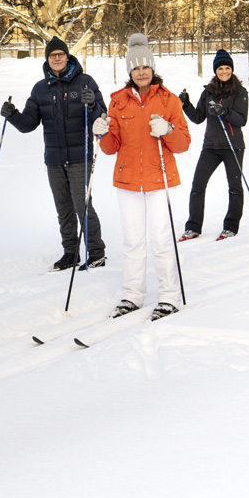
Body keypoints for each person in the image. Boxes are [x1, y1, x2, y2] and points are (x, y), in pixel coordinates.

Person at [92, 33, 191, 321]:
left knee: (161, 239)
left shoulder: (169, 100)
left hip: (160, 179)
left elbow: (184, 143)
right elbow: (111, 148)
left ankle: (169, 296)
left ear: (152, 68)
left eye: (145, 66)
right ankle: (132, 295)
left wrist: (169, 132)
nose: (141, 72)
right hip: (128, 182)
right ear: (130, 72)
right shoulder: (118, 102)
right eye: (135, 68)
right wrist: (100, 133)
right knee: (133, 241)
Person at [0, 36, 107, 271]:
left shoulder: (86, 82)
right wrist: (12, 115)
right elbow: (29, 123)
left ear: (67, 57)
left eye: (60, 54)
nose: (57, 58)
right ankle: (70, 252)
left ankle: (96, 253)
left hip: (80, 156)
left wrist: (93, 104)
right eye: (52, 55)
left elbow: (101, 119)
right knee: (63, 208)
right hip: (54, 159)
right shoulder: (40, 89)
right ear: (47, 59)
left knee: (83, 206)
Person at [178, 49, 248, 242]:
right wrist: (186, 105)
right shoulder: (208, 92)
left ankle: (231, 227)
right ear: (215, 70)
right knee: (197, 185)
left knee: (234, 187)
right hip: (211, 146)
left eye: (227, 68)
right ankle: (193, 227)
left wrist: (224, 111)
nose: (224, 71)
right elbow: (199, 118)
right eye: (220, 68)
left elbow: (242, 120)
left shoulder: (240, 92)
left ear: (231, 70)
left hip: (233, 146)